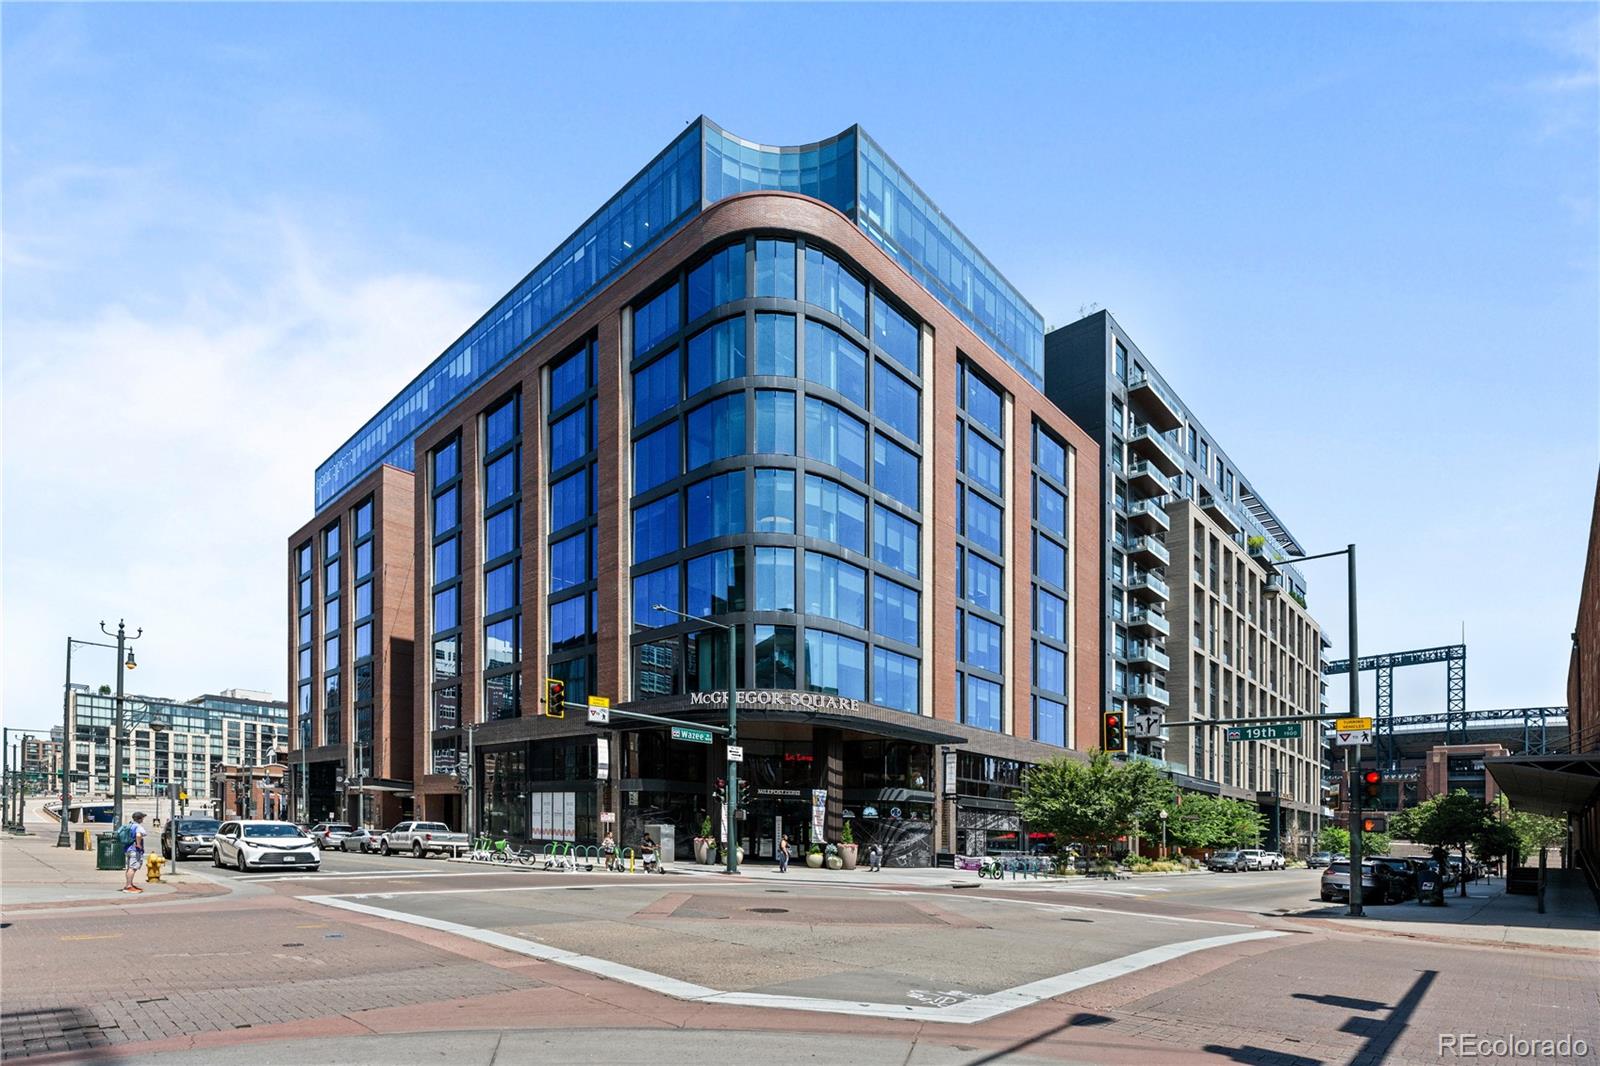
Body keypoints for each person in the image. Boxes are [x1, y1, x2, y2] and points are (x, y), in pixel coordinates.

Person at [121, 811, 148, 893]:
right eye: (143, 817)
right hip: (134, 850)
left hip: (127, 849)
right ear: (140, 818)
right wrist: (139, 844)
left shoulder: (130, 825)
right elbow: (138, 835)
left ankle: (129, 884)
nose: (143, 819)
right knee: (133, 868)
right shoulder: (138, 826)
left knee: (129, 868)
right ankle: (128, 887)